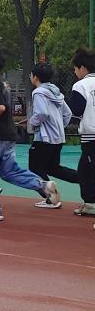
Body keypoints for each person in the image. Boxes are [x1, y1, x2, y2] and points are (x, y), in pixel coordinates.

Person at [0, 47, 59, 221]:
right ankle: (42, 185)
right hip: (8, 134)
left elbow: (0, 108)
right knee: (9, 171)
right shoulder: (3, 83)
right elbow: (1, 108)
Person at [27, 62, 74, 208]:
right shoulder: (56, 92)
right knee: (53, 168)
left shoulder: (38, 92)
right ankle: (85, 179)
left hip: (44, 138)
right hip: (58, 137)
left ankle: (51, 197)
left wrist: (32, 122)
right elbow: (68, 113)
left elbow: (42, 113)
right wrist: (58, 127)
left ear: (35, 77)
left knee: (34, 168)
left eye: (31, 74)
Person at [67, 48, 95, 216]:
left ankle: (90, 203)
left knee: (86, 171)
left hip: (91, 135)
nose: (75, 72)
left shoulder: (81, 85)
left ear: (83, 68)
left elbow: (76, 111)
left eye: (75, 69)